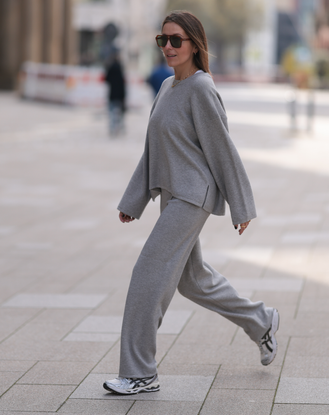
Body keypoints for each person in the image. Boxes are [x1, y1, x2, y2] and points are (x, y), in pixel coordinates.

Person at [103, 10, 280, 395]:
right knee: (194, 281)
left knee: (147, 274)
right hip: (172, 195)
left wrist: (241, 205)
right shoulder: (167, 87)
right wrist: (134, 200)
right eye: (162, 40)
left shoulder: (201, 89)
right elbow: (153, 150)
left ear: (195, 44)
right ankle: (261, 320)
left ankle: (139, 372)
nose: (167, 47)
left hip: (192, 197)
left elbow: (223, 150)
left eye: (175, 40)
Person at [104, 51, 126, 136]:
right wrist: (124, 96)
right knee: (120, 113)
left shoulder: (111, 68)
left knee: (111, 113)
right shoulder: (120, 69)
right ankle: (120, 128)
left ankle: (112, 129)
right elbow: (123, 84)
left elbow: (106, 79)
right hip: (120, 95)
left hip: (112, 94)